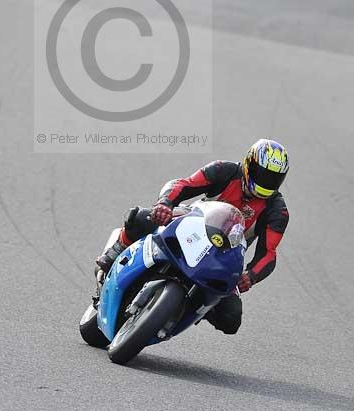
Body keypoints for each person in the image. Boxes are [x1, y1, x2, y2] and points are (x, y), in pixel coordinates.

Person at [96, 139, 289, 335]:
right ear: (249, 164)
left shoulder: (277, 211)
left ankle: (196, 307)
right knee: (140, 217)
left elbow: (269, 253)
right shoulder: (224, 170)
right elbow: (183, 184)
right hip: (190, 224)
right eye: (262, 174)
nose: (266, 181)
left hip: (224, 256)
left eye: (273, 178)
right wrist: (165, 203)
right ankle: (118, 249)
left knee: (231, 319)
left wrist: (251, 276)